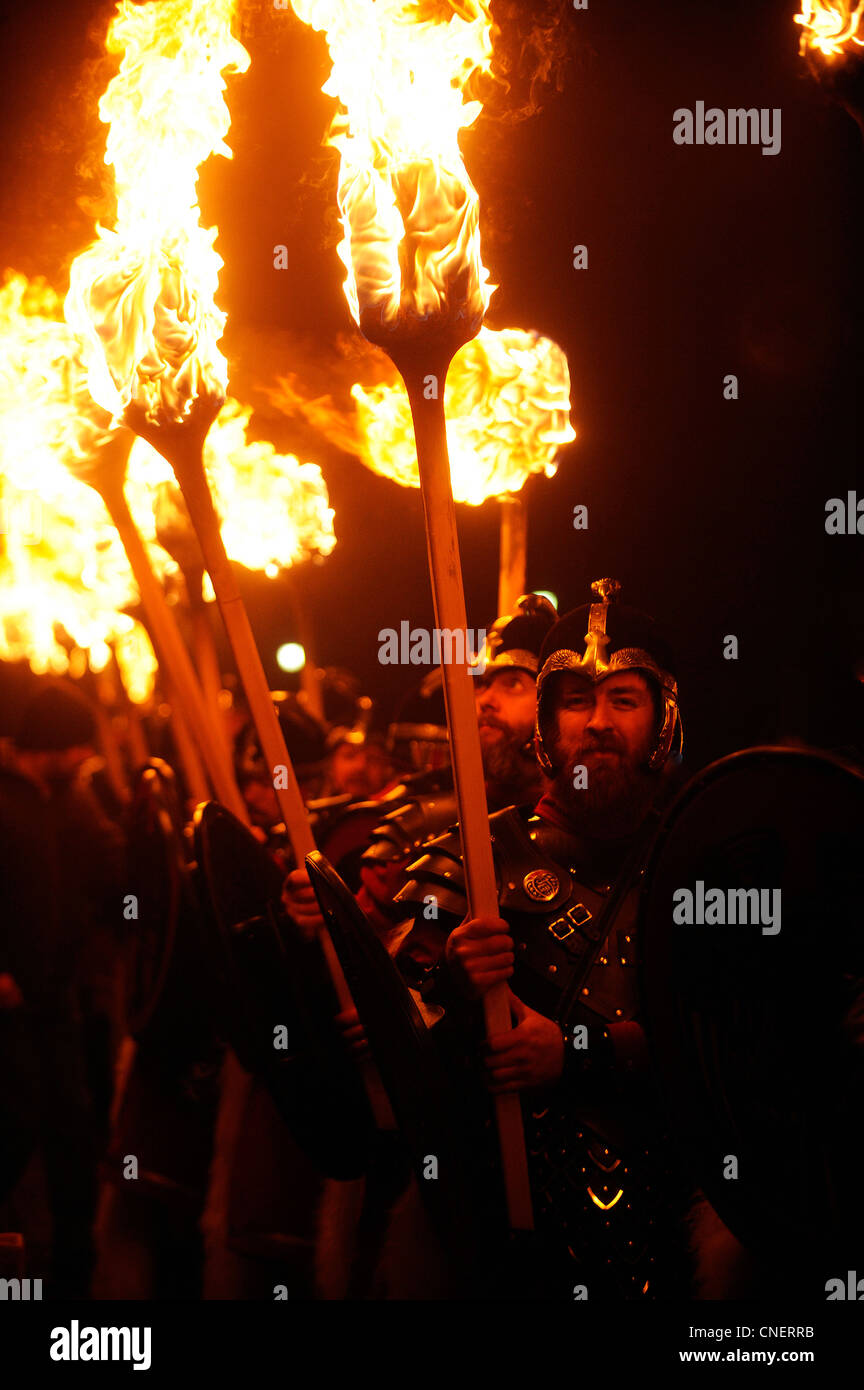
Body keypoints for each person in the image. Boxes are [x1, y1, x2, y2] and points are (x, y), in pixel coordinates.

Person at [393, 578, 693, 1298]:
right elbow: (386, 1061)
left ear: (664, 720)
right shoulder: (469, 859)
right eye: (576, 700)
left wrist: (578, 1054)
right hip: (497, 1244)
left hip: (678, 1242)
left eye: (623, 699)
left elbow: (743, 1048)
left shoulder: (704, 863)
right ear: (546, 727)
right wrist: (457, 992)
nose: (597, 722)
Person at [0, 681, 126, 1296]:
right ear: (50, 745)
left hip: (56, 995)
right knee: (14, 1121)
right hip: (7, 1003)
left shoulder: (70, 798)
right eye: (77, 746)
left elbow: (110, 863)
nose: (85, 757)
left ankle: (75, 1264)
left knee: (73, 1124)